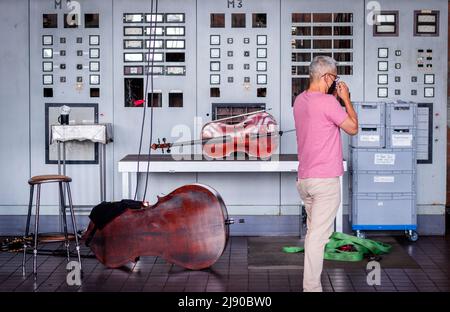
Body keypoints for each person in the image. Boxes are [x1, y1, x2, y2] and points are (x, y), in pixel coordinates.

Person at [293, 56, 358, 292]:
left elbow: (319, 116)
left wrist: (334, 98)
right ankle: (311, 289)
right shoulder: (330, 104)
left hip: (305, 180)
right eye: (335, 77)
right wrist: (346, 100)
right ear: (327, 77)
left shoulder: (299, 101)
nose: (335, 81)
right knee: (317, 237)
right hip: (325, 182)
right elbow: (353, 128)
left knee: (317, 233)